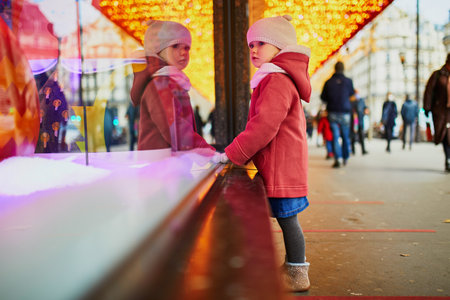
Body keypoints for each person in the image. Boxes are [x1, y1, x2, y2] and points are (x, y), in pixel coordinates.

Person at [219, 15, 312, 292]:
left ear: (279, 47)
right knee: (281, 218)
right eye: (250, 45)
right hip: (281, 165)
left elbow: (264, 126)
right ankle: (290, 266)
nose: (254, 50)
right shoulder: (274, 78)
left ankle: (298, 272)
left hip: (282, 168)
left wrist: (234, 153)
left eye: (261, 43)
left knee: (287, 219)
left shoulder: (276, 80)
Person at [130, 20, 214, 152]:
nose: (183, 52)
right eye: (175, 46)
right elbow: (173, 127)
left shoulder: (173, 81)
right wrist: (205, 151)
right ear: (159, 49)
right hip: (161, 165)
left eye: (186, 48)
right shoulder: (160, 82)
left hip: (170, 162)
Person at [320, 61, 355, 168]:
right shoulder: (348, 81)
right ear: (343, 69)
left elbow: (323, 98)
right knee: (345, 135)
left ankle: (337, 159)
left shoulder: (328, 82)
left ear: (334, 69)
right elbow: (352, 95)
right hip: (345, 112)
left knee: (335, 136)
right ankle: (345, 157)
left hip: (333, 112)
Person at [423, 53, 450, 172]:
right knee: (443, 135)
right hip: (440, 111)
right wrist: (427, 108)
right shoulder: (438, 75)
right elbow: (429, 92)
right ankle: (448, 158)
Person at [350, 90, 368, 155]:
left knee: (361, 136)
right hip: (354, 121)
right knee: (353, 136)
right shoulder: (351, 101)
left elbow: (365, 108)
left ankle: (363, 150)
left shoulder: (361, 100)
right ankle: (353, 150)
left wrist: (366, 110)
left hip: (360, 120)